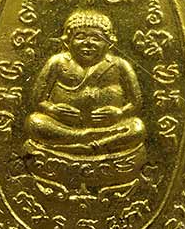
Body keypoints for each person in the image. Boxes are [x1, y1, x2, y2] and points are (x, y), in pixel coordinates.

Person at [24, 10, 146, 157]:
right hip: (65, 127)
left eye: (96, 38)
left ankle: (85, 145)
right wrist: (52, 110)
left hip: (108, 128)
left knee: (137, 127)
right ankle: (85, 140)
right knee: (35, 122)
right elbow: (38, 100)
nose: (88, 43)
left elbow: (136, 102)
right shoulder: (57, 62)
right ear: (67, 42)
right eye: (80, 37)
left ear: (110, 43)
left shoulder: (119, 65)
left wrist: (120, 113)